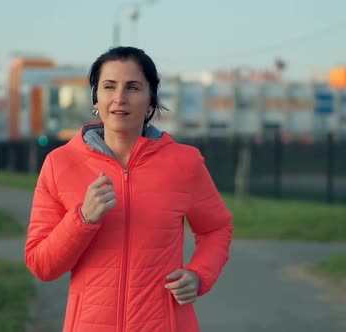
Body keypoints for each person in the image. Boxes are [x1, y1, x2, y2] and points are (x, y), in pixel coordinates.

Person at [25, 46, 233, 332]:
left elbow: (216, 228)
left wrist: (199, 275)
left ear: (150, 101)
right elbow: (41, 265)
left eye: (133, 87)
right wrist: (83, 218)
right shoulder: (59, 164)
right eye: (109, 86)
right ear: (96, 98)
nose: (120, 98)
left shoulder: (184, 163)